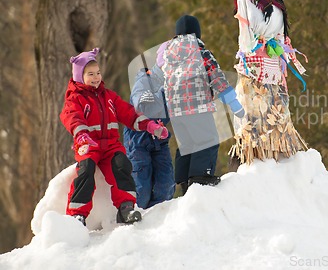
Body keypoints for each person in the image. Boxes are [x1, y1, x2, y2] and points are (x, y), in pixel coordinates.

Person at [60, 48, 169, 226]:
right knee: (86, 171)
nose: (96, 77)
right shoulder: (75, 99)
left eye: (98, 73)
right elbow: (71, 116)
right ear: (80, 76)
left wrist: (149, 125)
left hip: (111, 146)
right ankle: (76, 215)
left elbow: (128, 113)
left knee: (122, 165)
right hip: (88, 145)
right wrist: (81, 135)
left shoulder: (108, 96)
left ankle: (126, 208)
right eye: (90, 74)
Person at [229, 0, 308, 164]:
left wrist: (252, 48)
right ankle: (280, 158)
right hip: (275, 65)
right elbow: (282, 36)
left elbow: (246, 41)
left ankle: (255, 161)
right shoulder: (277, 1)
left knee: (253, 118)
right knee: (277, 115)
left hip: (253, 68)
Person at [160, 15, 244, 195]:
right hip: (197, 105)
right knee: (207, 140)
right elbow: (217, 77)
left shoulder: (167, 56)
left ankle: (184, 180)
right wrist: (233, 102)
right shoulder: (201, 52)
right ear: (197, 32)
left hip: (176, 111)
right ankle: (200, 178)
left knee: (187, 145)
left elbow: (165, 83)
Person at [123, 46, 175, 209]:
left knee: (165, 185)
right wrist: (164, 92)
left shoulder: (175, 84)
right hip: (138, 138)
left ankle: (157, 216)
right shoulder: (145, 80)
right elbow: (142, 105)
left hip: (159, 138)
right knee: (142, 187)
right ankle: (135, 212)